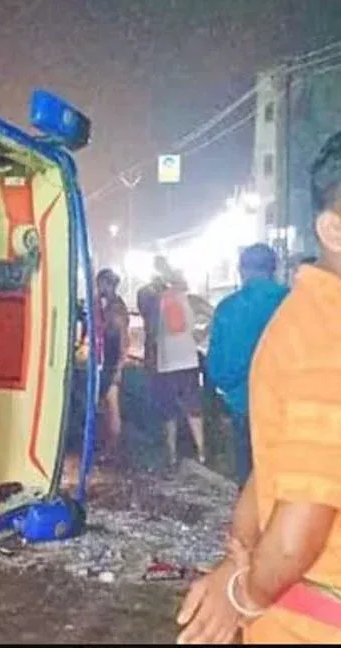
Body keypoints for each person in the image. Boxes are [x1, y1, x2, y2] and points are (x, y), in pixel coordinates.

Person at [176, 130, 341, 644]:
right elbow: (296, 533)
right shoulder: (328, 334)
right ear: (334, 229)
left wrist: (237, 563)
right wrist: (241, 595)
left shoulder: (297, 315)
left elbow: (270, 468)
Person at [205, 243, 288, 488]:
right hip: (290, 406)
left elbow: (216, 366)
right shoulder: (294, 302)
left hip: (245, 404)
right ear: (274, 269)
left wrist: (233, 388)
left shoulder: (228, 308)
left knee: (250, 479)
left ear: (241, 270)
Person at [152, 263, 206, 469]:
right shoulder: (192, 300)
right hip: (188, 360)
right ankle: (201, 452)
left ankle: (172, 455)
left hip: (166, 362)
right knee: (193, 406)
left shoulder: (158, 301)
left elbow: (151, 330)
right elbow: (213, 314)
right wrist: (200, 335)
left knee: (169, 411)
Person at [96, 268, 129, 463]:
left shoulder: (115, 308)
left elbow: (123, 339)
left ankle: (112, 450)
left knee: (111, 407)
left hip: (112, 361)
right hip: (109, 360)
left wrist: (119, 367)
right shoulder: (110, 306)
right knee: (107, 406)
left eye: (100, 284)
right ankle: (109, 448)